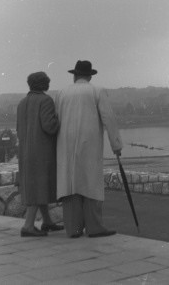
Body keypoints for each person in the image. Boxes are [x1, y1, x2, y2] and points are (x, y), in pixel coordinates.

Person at [56, 60, 123, 238]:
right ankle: (94, 226)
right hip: (90, 143)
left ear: (75, 75)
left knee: (71, 184)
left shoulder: (62, 93)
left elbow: (57, 119)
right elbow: (109, 118)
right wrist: (116, 145)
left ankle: (73, 228)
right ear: (90, 76)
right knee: (91, 182)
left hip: (66, 144)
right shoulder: (97, 91)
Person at [17, 71, 63, 236]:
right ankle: (28, 226)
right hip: (41, 152)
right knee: (39, 186)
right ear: (44, 84)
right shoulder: (46, 100)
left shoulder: (22, 103)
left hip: (25, 152)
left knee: (37, 185)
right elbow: (49, 126)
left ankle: (47, 221)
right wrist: (59, 120)